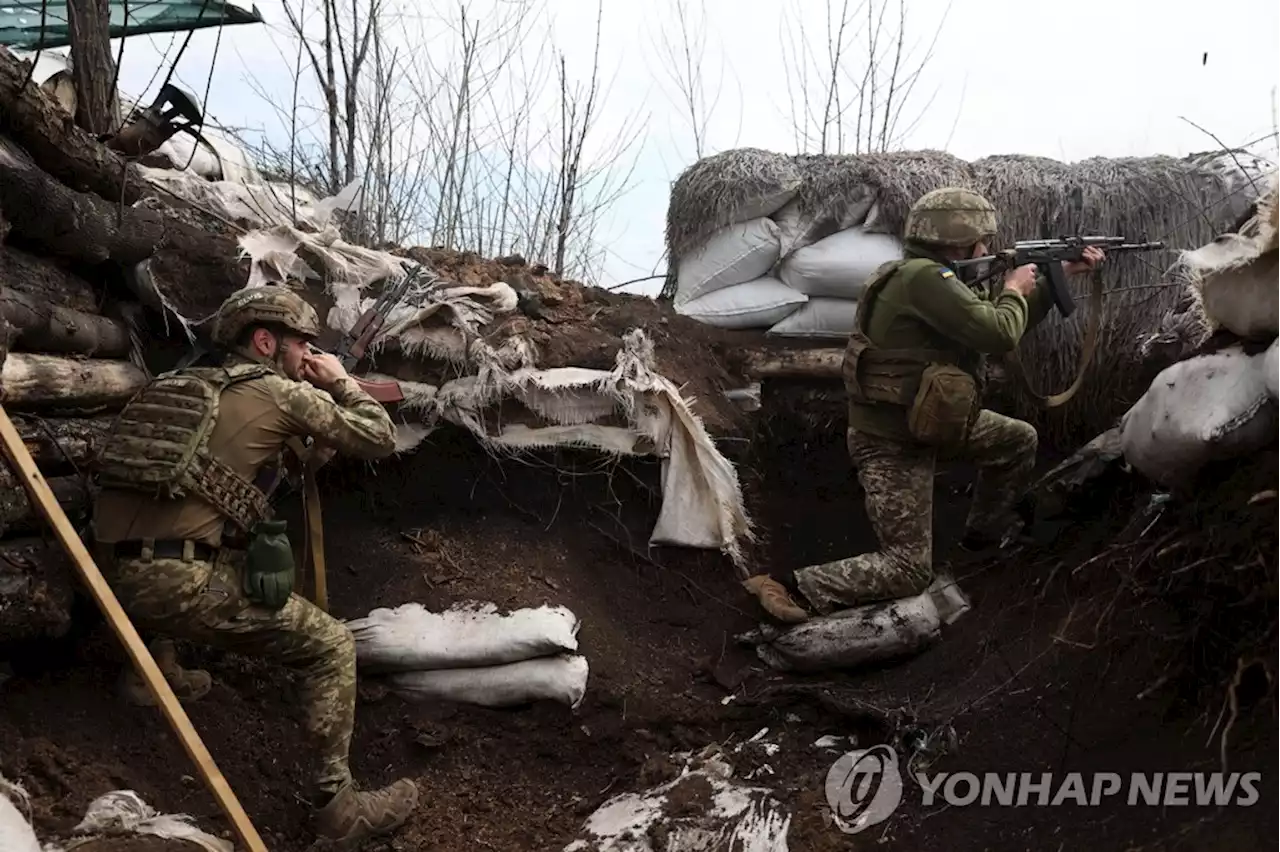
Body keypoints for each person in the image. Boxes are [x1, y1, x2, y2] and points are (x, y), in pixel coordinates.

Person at [89, 285, 419, 848]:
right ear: (266, 342)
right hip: (177, 586)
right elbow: (380, 437)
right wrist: (339, 380)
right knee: (333, 646)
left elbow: (225, 481)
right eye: (301, 347)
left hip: (107, 581)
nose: (306, 358)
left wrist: (306, 452)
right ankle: (339, 808)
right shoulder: (278, 393)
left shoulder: (180, 386)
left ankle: (155, 671)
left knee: (199, 545)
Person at [745, 187, 1105, 623]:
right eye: (981, 240)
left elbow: (991, 326)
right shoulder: (924, 280)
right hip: (892, 441)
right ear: (957, 239)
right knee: (908, 569)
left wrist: (1054, 282)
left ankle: (981, 538)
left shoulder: (933, 282)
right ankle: (788, 585)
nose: (987, 249)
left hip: (933, 422)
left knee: (1016, 440)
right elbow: (998, 332)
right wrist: (1013, 288)